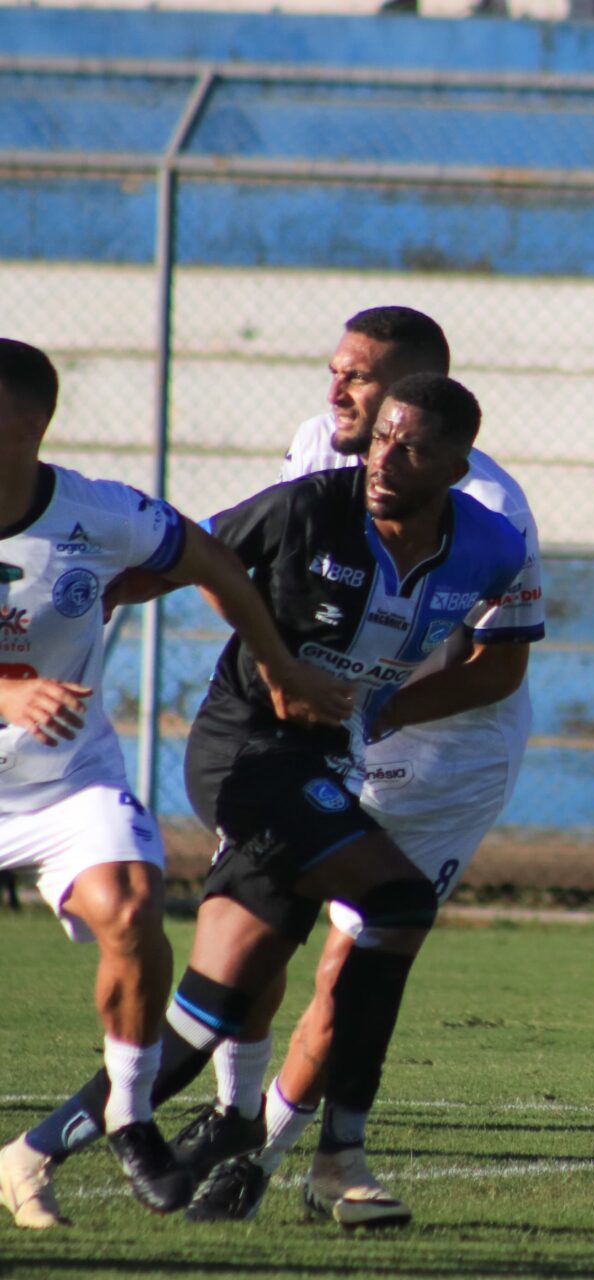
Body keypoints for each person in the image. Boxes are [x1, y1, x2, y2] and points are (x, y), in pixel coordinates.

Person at [5, 373, 531, 1230]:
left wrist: (379, 706)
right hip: (244, 754)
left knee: (218, 997)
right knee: (396, 901)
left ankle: (34, 1150)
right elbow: (184, 561)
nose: (383, 456)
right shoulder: (308, 509)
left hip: (328, 762)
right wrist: (81, 599)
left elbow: (496, 655)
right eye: (380, 436)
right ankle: (340, 1159)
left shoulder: (496, 548)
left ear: (460, 463)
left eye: (413, 446)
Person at [168, 306, 543, 1223]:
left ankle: (282, 1160)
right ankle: (226, 1112)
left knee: (356, 949)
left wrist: (368, 707)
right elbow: (249, 567)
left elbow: (497, 667)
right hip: (307, 734)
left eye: (362, 378)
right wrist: (284, 672)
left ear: (416, 392)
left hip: (440, 749)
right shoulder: (317, 448)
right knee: (254, 929)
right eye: (335, 372)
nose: (338, 393)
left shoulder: (489, 514)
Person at [0, 338, 353, 1229]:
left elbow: (212, 561)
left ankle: (128, 1111)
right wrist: (10, 686)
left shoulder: (96, 512)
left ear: (32, 426)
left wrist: (280, 669)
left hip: (59, 785)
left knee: (132, 902)